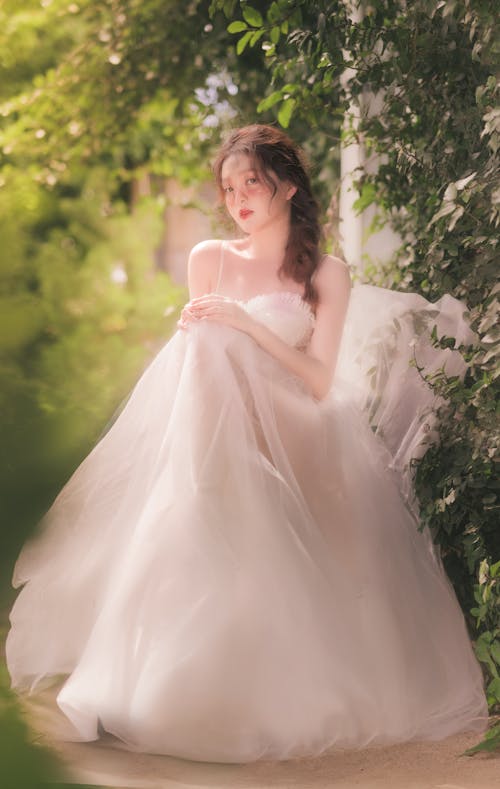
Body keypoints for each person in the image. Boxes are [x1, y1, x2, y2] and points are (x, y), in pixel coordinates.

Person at [6, 124, 487, 763]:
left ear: (286, 186)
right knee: (202, 341)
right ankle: (202, 492)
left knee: (218, 334)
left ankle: (208, 483)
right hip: (217, 422)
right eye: (228, 188)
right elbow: (195, 357)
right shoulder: (209, 257)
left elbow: (319, 381)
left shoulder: (325, 273)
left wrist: (246, 325)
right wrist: (227, 327)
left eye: (250, 183)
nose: (237, 199)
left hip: (297, 419)